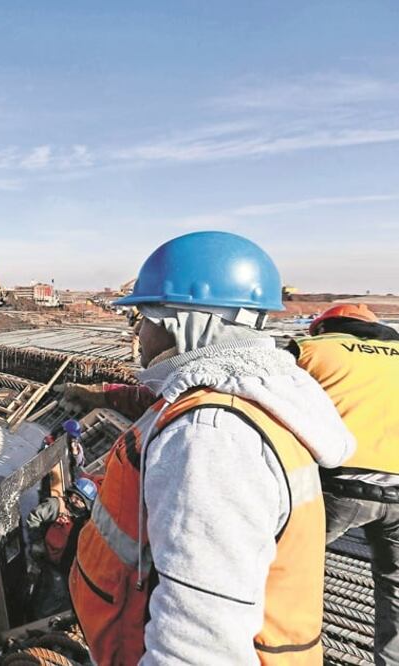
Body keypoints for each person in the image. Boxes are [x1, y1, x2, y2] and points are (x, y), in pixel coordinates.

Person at [69, 231, 354, 664]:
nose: (138, 336)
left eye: (142, 318)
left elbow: (197, 646)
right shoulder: (243, 407)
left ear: (181, 324)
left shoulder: (212, 434)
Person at [288, 303, 399, 664]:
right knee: (395, 590)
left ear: (323, 327)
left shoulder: (310, 350)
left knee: (281, 572)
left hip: (338, 484)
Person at [26, 477, 97, 619]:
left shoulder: (85, 520)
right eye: (75, 497)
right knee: (46, 592)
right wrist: (37, 542)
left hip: (66, 565)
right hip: (45, 559)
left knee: (59, 595)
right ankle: (36, 620)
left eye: (82, 501)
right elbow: (34, 517)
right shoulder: (56, 505)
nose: (77, 502)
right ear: (70, 493)